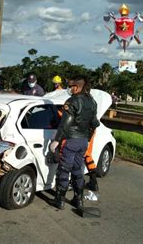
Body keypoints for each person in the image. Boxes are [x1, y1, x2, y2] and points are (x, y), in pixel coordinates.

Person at [48, 75, 100, 211]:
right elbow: (94, 123)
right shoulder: (92, 102)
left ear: (77, 87)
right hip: (83, 142)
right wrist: (87, 138)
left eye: (71, 87)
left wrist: (56, 141)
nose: (70, 89)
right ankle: (79, 200)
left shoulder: (72, 101)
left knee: (64, 171)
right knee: (78, 171)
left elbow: (65, 124)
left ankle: (59, 201)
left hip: (70, 140)